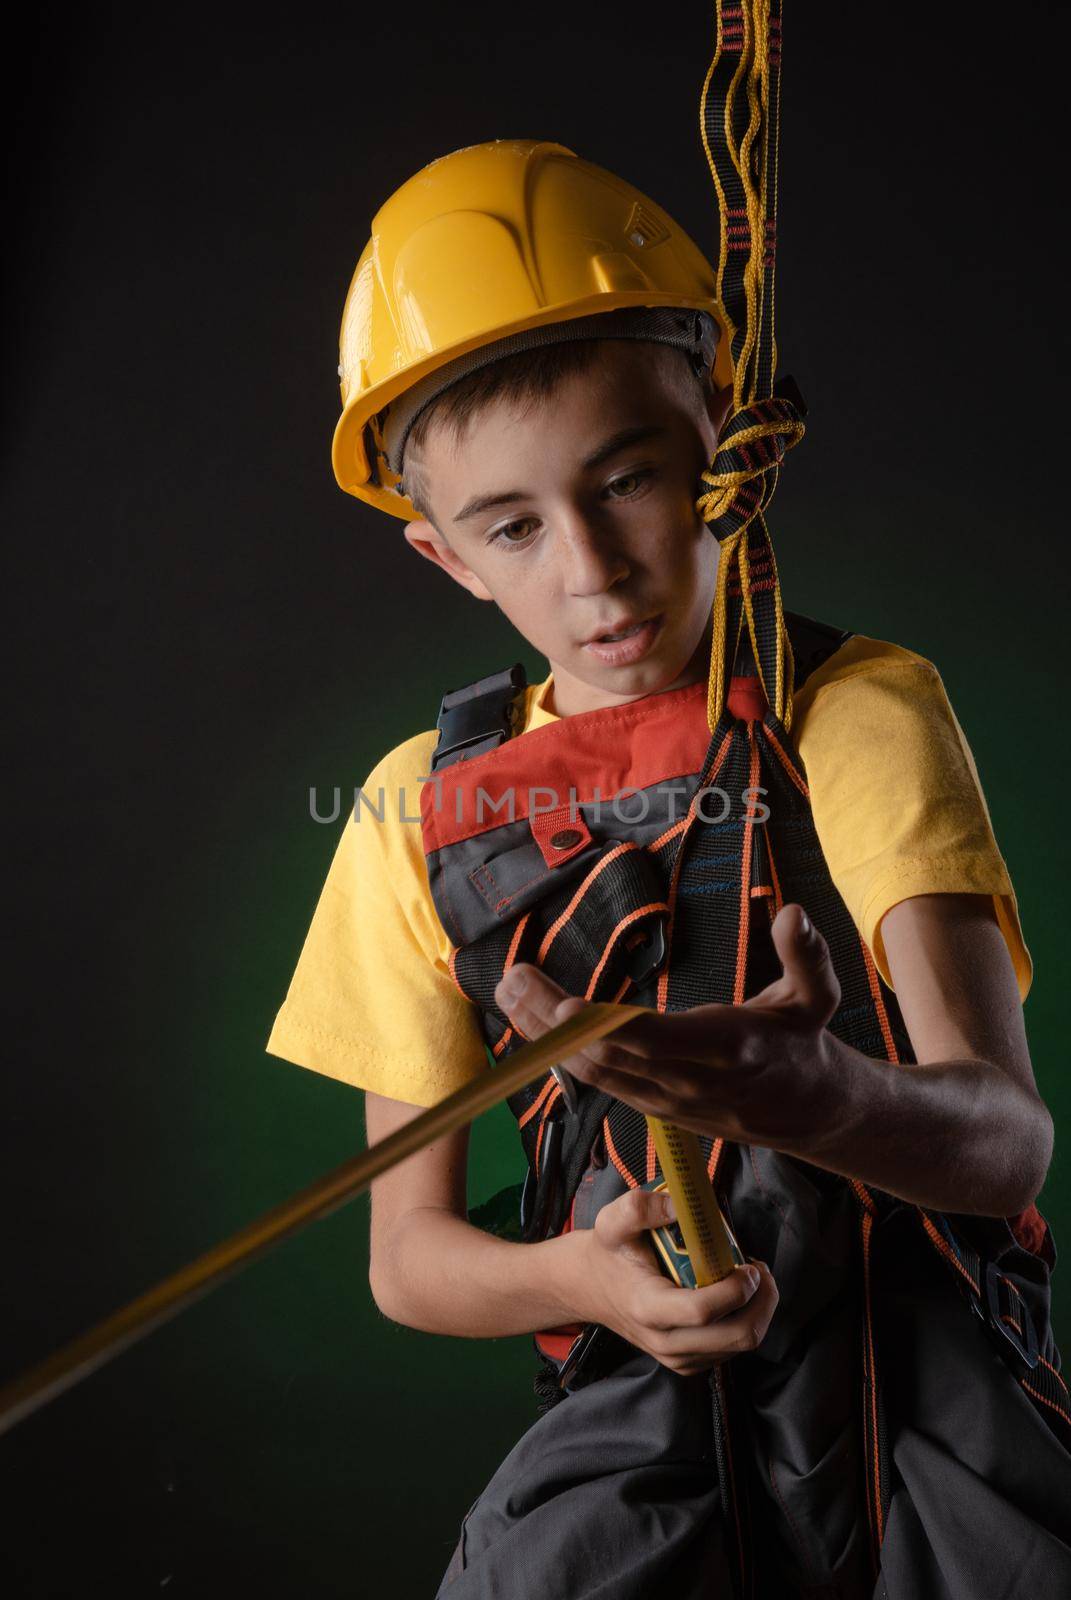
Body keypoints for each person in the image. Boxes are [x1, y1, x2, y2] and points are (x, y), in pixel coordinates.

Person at [266, 138, 1070, 1596]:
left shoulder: (854, 712)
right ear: (445, 557)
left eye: (629, 477)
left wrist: (827, 1099)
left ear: (726, 438)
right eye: (511, 525)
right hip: (636, 1409)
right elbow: (411, 1257)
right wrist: (572, 1282)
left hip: (932, 1381)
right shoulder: (420, 811)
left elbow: (1005, 1145)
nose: (592, 569)